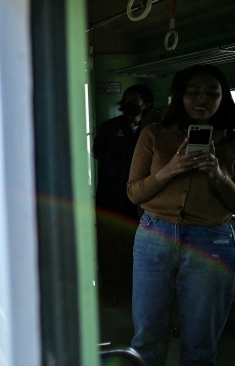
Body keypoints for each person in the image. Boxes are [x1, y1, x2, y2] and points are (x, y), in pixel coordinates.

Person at [127, 64, 235, 365]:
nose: (202, 99)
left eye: (212, 93)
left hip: (212, 241)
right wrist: (170, 170)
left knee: (201, 342)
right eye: (193, 92)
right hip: (154, 236)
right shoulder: (153, 135)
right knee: (147, 337)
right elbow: (134, 194)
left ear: (223, 98)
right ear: (179, 97)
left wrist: (218, 175)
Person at [93, 84, 154, 306]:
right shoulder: (110, 127)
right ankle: (109, 291)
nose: (131, 103)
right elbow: (98, 152)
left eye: (136, 99)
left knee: (134, 247)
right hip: (109, 197)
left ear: (145, 103)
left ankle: (130, 291)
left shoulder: (152, 130)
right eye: (127, 99)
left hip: (138, 201)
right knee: (107, 246)